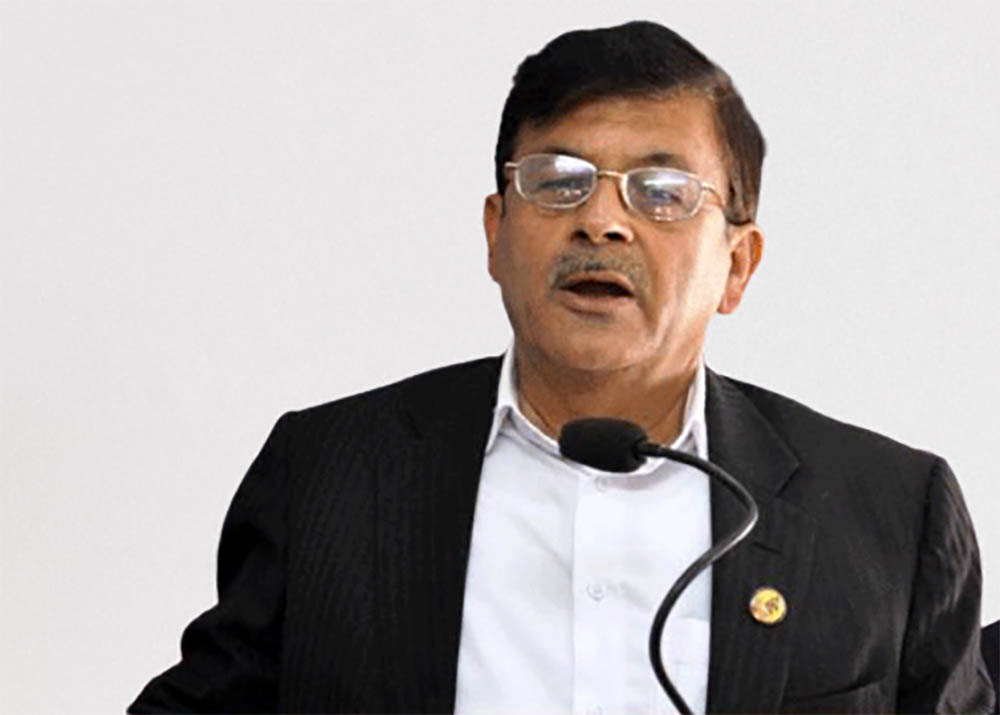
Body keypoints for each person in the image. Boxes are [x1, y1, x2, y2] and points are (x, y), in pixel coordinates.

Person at [128, 20, 994, 714]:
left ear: (738, 265)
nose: (602, 221)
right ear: (495, 233)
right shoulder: (330, 474)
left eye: (661, 192)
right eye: (558, 180)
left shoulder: (888, 511)